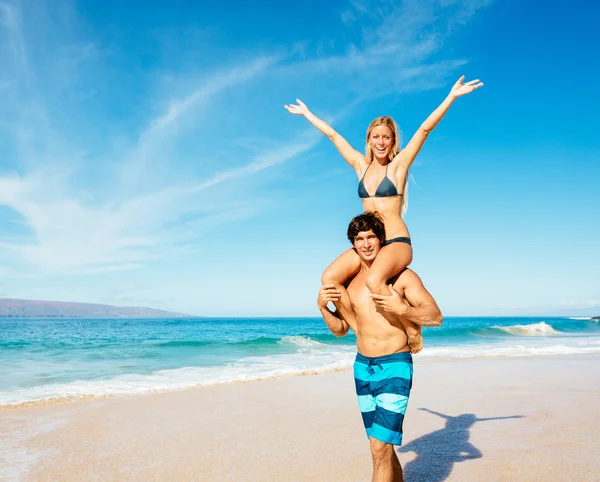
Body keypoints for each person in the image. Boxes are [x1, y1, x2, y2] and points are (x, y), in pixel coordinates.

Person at [287, 76, 482, 324]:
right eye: (375, 137)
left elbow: (424, 129)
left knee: (373, 280)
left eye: (386, 137)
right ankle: (357, 328)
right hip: (370, 241)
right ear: (369, 140)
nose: (380, 142)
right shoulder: (361, 166)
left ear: (392, 141)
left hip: (395, 241)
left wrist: (451, 97)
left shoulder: (398, 167)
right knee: (329, 278)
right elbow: (334, 136)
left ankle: (410, 326)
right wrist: (307, 114)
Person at [317, 212, 443, 482]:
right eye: (359, 239)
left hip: (395, 365)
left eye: (371, 237)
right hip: (363, 367)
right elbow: (340, 331)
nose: (366, 244)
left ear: (382, 240)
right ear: (353, 245)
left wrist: (403, 308)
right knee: (380, 445)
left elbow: (435, 316)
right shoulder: (349, 284)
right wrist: (323, 307)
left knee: (379, 447)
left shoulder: (402, 277)